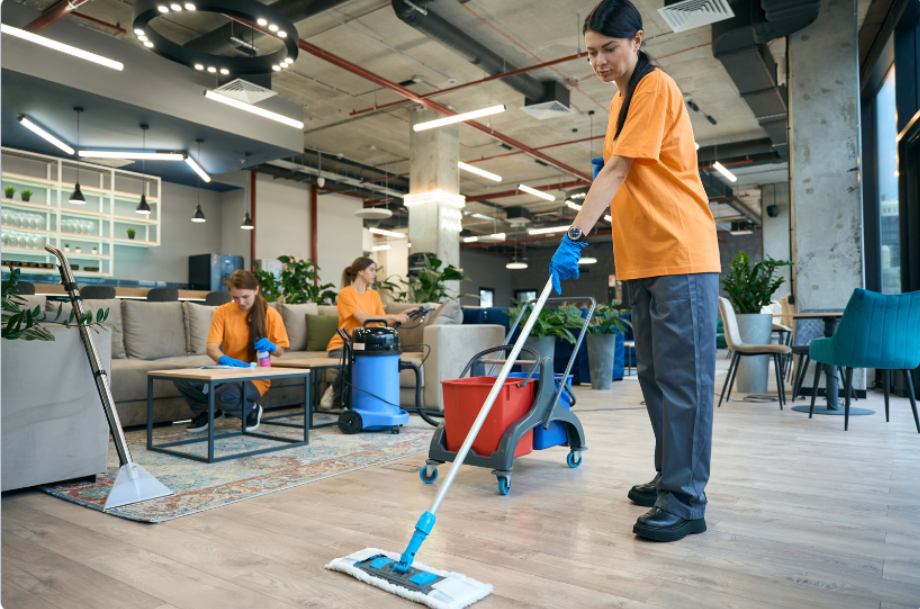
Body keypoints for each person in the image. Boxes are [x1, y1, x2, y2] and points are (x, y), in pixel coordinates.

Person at [549, 0, 720, 542]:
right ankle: (671, 475)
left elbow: (620, 168)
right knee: (651, 377)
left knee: (683, 381)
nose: (598, 61)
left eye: (609, 50)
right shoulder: (620, 100)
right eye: (592, 52)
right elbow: (620, 169)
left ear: (637, 40)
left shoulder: (654, 86)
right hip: (640, 258)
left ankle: (686, 500)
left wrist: (574, 234)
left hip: (679, 252)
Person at [175, 270, 290, 433]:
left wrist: (271, 346)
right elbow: (211, 347)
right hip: (225, 371)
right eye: (235, 297)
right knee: (182, 379)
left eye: (245, 296)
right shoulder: (222, 311)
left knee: (222, 395)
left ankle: (251, 409)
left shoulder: (271, 314)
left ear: (256, 290)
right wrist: (225, 360)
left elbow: (280, 352)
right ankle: (211, 412)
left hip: (255, 377)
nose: (241, 302)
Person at [320, 257, 417, 409]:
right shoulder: (345, 293)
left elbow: (381, 323)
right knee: (354, 362)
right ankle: (333, 391)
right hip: (342, 345)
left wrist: (402, 314)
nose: (375, 274)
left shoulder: (374, 295)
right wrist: (393, 315)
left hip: (364, 345)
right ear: (360, 272)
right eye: (371, 270)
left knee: (370, 362)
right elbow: (362, 318)